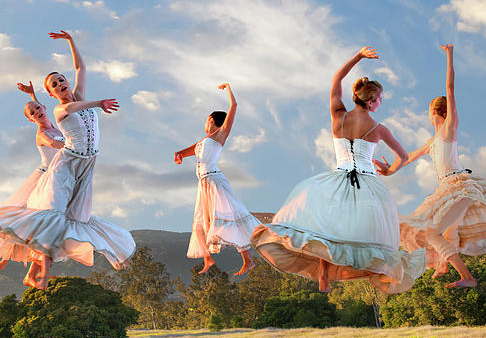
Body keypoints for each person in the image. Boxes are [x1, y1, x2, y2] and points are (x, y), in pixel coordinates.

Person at [0, 30, 135, 288]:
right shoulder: (60, 109)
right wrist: (98, 102)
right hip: (65, 164)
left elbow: (81, 67)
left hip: (87, 167)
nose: (59, 84)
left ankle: (35, 272)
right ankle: (39, 275)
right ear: (52, 94)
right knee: (53, 216)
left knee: (78, 219)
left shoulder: (77, 96)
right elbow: (67, 111)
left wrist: (70, 41)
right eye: (53, 85)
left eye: (61, 80)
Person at [251, 47, 425, 293]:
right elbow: (404, 156)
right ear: (371, 101)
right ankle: (372, 273)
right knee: (361, 235)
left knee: (327, 230)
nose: (381, 103)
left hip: (336, 179)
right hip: (366, 183)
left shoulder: (338, 115)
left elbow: (336, 78)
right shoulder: (379, 128)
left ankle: (324, 273)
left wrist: (359, 56)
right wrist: (388, 171)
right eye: (380, 99)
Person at [385, 44, 486, 288]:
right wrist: (389, 170)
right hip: (446, 188)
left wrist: (450, 55)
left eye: (428, 110)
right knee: (440, 230)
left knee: (432, 232)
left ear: (433, 112)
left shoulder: (448, 129)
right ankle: (444, 265)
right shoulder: (432, 142)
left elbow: (450, 89)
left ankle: (467, 277)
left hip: (459, 185)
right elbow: (409, 157)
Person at [0, 82, 64, 287]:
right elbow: (58, 145)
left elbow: (38, 106)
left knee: (42, 228)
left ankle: (31, 272)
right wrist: (79, 142)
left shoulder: (49, 120)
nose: (37, 112)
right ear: (30, 119)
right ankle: (21, 269)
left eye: (38, 108)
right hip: (43, 181)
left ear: (44, 108)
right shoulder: (43, 135)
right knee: (28, 223)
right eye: (32, 113)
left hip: (57, 180)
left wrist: (32, 94)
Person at [174, 83, 259, 276]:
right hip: (203, 185)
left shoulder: (220, 135)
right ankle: (208, 258)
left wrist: (228, 88)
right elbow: (193, 148)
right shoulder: (204, 141)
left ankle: (248, 260)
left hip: (214, 182)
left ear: (212, 120)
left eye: (206, 119)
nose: (205, 122)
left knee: (230, 217)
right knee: (202, 220)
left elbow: (234, 106)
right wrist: (179, 153)